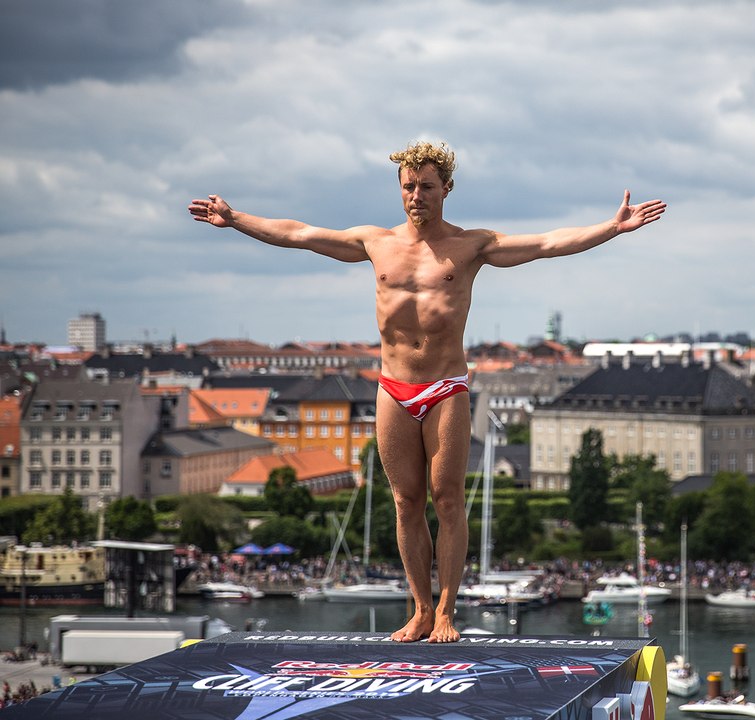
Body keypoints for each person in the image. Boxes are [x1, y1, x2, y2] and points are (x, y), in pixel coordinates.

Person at [189, 141, 666, 642]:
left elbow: (548, 242)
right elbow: (301, 234)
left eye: (427, 187)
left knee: (448, 498)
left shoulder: (472, 245)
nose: (416, 195)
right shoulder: (375, 242)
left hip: (445, 386)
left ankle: (445, 611)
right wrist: (235, 217)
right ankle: (418, 609)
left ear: (447, 190)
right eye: (408, 186)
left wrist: (611, 227)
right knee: (405, 500)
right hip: (393, 387)